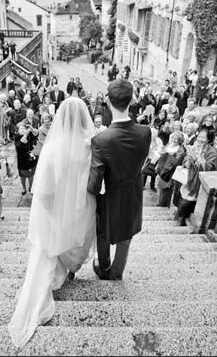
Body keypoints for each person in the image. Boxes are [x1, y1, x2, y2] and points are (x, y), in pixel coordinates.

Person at [8, 97, 97, 347]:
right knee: (74, 237)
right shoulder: (91, 145)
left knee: (53, 241)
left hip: (55, 206)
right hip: (82, 207)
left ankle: (59, 272)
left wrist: (52, 214)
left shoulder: (52, 147)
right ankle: (68, 271)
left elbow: (43, 191)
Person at [88, 79, 151, 281]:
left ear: (106, 100)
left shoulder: (101, 140)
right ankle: (116, 272)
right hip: (133, 195)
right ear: (133, 99)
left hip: (108, 199)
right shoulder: (145, 132)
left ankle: (103, 266)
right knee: (126, 236)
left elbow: (95, 184)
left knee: (103, 232)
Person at [14, 122, 38, 195]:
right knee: (23, 176)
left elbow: (36, 135)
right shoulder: (17, 137)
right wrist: (25, 134)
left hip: (30, 158)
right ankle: (23, 187)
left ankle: (31, 187)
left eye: (24, 128)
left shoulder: (29, 134)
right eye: (21, 128)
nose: (23, 129)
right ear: (18, 130)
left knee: (31, 175)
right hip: (22, 159)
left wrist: (31, 128)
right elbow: (20, 145)